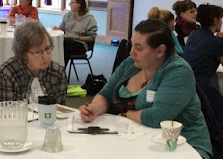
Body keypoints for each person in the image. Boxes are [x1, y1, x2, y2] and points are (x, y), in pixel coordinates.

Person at [79, 19, 212, 159]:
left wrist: (125, 114)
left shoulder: (179, 72)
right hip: (137, 141)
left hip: (179, 147)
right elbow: (106, 94)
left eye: (139, 48)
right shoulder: (131, 64)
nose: (131, 53)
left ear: (160, 51)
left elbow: (158, 117)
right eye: (132, 45)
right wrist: (94, 108)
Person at [0, 21, 67, 105]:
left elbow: (60, 109)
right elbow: (5, 113)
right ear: (23, 53)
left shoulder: (57, 72)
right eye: (38, 52)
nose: (45, 56)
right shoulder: (6, 75)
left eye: (47, 48)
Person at [183, 4, 223, 84]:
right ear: (215, 20)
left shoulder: (193, 35)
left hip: (186, 81)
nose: (222, 21)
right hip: (201, 87)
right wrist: (222, 42)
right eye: (220, 18)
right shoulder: (217, 42)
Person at [52, 0, 97, 65]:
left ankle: (60, 71)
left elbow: (91, 37)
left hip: (80, 44)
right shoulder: (68, 15)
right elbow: (62, 29)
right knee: (60, 46)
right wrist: (57, 29)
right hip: (66, 41)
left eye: (72, 2)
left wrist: (77, 38)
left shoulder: (89, 19)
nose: (70, 4)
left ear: (79, 5)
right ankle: (59, 70)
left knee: (63, 45)